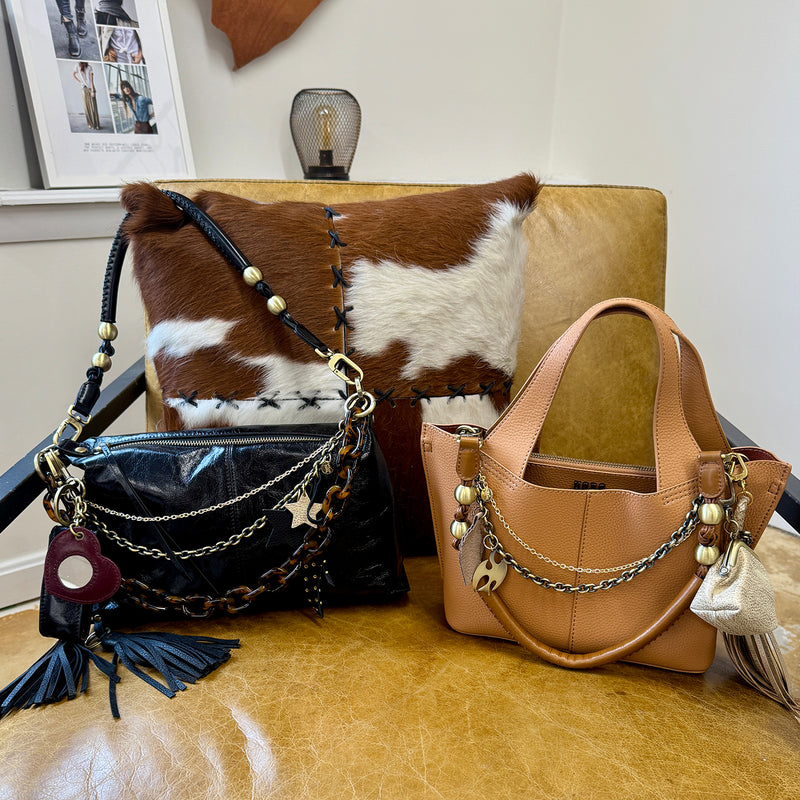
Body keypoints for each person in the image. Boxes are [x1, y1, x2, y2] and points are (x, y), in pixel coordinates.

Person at [73, 62, 100, 130]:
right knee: (87, 107)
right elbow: (73, 74)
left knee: (93, 107)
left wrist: (92, 90)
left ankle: (96, 124)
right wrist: (80, 82)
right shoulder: (77, 66)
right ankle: (90, 124)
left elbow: (91, 80)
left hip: (91, 88)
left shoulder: (89, 67)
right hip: (84, 88)